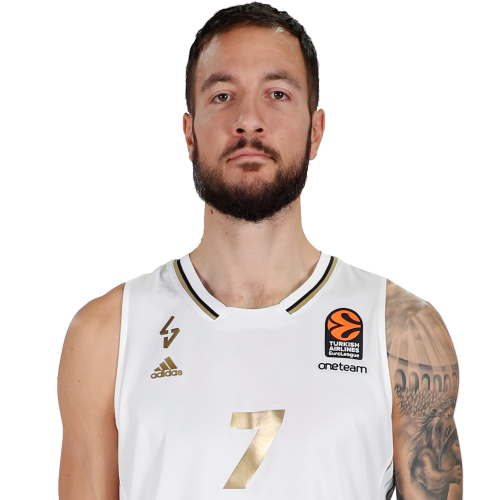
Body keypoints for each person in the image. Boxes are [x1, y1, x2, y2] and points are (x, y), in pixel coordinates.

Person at [57, 2, 463, 499]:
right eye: (223, 95)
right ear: (189, 132)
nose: (249, 120)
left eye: (277, 94)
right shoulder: (107, 334)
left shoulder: (400, 330)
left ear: (316, 130)